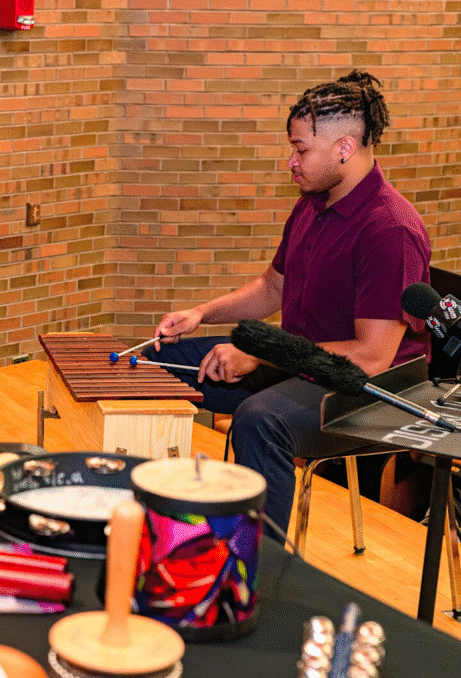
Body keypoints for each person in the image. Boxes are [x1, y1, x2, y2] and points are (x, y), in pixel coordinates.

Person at [145, 71, 431, 537]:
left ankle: (259, 562)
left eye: (301, 150)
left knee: (259, 421)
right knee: (155, 365)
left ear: (344, 148)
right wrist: (201, 314)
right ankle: (166, 528)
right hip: (298, 361)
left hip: (365, 391)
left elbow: (372, 357)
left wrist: (260, 355)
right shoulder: (312, 203)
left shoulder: (391, 230)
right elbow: (271, 288)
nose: (290, 162)